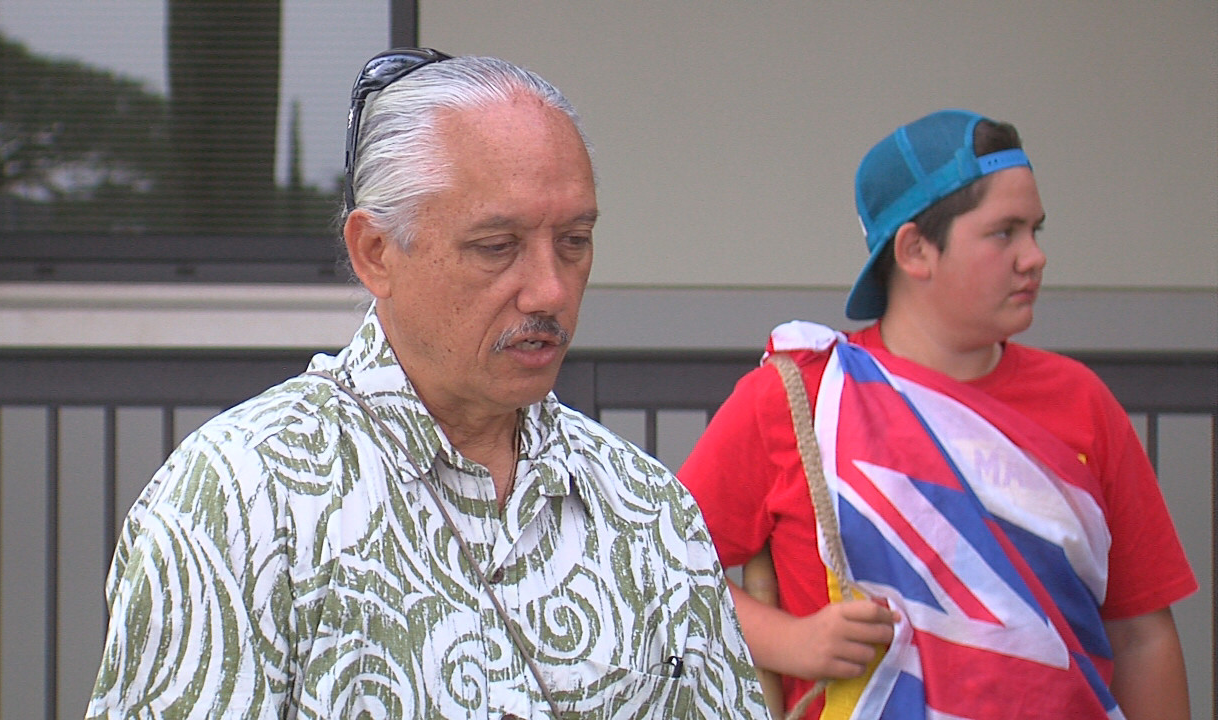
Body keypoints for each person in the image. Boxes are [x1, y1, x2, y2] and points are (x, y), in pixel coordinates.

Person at [85, 49, 769, 719]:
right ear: (375, 253)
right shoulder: (242, 499)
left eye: (574, 240)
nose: (550, 290)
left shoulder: (644, 507)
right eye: (496, 246)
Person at [679, 109, 1196, 719]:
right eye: (1005, 232)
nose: (1035, 257)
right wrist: (791, 641)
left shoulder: (1083, 403)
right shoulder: (798, 397)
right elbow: (664, 568)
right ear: (916, 249)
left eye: (1036, 230)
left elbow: (1142, 635)